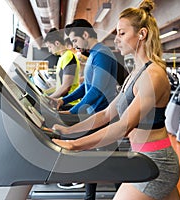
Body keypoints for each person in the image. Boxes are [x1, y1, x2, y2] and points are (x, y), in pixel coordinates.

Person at [51, 1, 180, 200]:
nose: (117, 39)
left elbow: (123, 126)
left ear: (142, 34)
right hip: (142, 158)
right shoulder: (135, 74)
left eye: (122, 33)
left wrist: (75, 145)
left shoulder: (153, 75)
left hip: (156, 163)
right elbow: (107, 113)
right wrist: (68, 131)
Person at [50, 19, 118, 199]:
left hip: (101, 115)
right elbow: (85, 87)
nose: (74, 45)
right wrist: (63, 101)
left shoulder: (102, 53)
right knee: (99, 159)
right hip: (95, 113)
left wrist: (72, 112)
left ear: (85, 35)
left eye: (75, 40)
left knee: (110, 160)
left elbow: (97, 90)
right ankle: (93, 195)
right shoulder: (95, 54)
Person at [44, 28, 81, 108]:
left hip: (70, 103)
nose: (50, 50)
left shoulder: (68, 56)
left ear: (57, 43)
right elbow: (61, 84)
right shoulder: (62, 58)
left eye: (50, 47)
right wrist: (45, 94)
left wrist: (49, 98)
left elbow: (66, 87)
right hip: (63, 102)